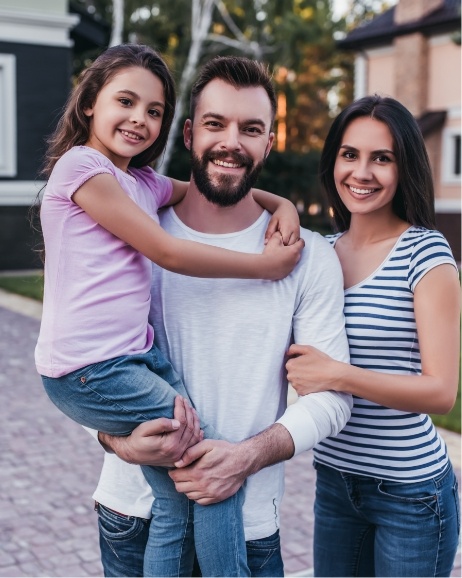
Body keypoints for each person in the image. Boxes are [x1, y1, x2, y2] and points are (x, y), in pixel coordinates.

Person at [34, 43, 306, 578]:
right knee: (208, 468)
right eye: (126, 102)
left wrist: (284, 204)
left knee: (179, 491)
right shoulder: (81, 169)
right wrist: (264, 268)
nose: (139, 119)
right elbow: (168, 251)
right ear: (89, 102)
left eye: (154, 111)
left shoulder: (141, 183)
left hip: (131, 361)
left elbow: (207, 191)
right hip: (92, 368)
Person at [91, 54, 353, 577]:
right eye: (216, 124)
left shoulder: (307, 256)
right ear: (189, 133)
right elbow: (86, 363)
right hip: (134, 515)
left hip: (247, 523)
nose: (232, 141)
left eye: (251, 128)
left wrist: (247, 456)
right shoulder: (133, 232)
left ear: (268, 143)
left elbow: (332, 400)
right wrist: (116, 439)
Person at [286, 95, 461, 577]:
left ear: (404, 167)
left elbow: (441, 391)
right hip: (336, 480)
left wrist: (338, 375)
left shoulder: (424, 253)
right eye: (350, 154)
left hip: (410, 493)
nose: (361, 172)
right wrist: (277, 203)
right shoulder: (318, 253)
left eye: (381, 158)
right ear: (333, 161)